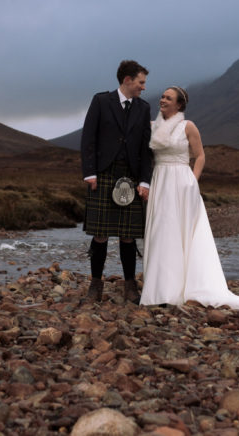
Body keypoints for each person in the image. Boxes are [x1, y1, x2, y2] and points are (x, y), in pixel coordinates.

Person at [140, 86, 239, 316]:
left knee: (181, 232)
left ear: (179, 105)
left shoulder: (188, 126)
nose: (163, 100)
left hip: (181, 183)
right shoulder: (152, 125)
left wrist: (193, 181)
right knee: (162, 231)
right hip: (160, 181)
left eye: (168, 98)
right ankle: (160, 289)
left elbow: (200, 156)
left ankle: (182, 288)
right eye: (162, 96)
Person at [80, 60, 153, 303]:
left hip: (131, 177)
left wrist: (144, 180)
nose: (143, 87)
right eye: (141, 82)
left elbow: (145, 148)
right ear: (127, 80)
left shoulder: (143, 108)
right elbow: (88, 137)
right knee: (100, 233)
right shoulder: (101, 101)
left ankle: (130, 286)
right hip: (103, 175)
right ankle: (95, 285)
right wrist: (90, 173)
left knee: (128, 235)